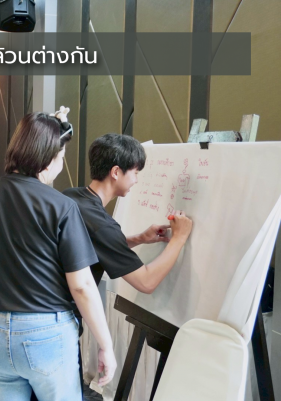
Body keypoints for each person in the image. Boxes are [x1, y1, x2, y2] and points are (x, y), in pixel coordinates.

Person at [0, 111, 116, 400]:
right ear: (48, 158)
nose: (61, 164)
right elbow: (82, 286)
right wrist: (105, 345)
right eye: (61, 157)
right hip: (46, 331)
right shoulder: (61, 206)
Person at [62, 133, 193, 384]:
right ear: (115, 172)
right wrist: (179, 238)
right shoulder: (102, 224)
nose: (136, 180)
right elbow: (146, 282)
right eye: (135, 172)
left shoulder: (72, 197)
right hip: (59, 324)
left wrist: (138, 238)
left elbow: (93, 245)